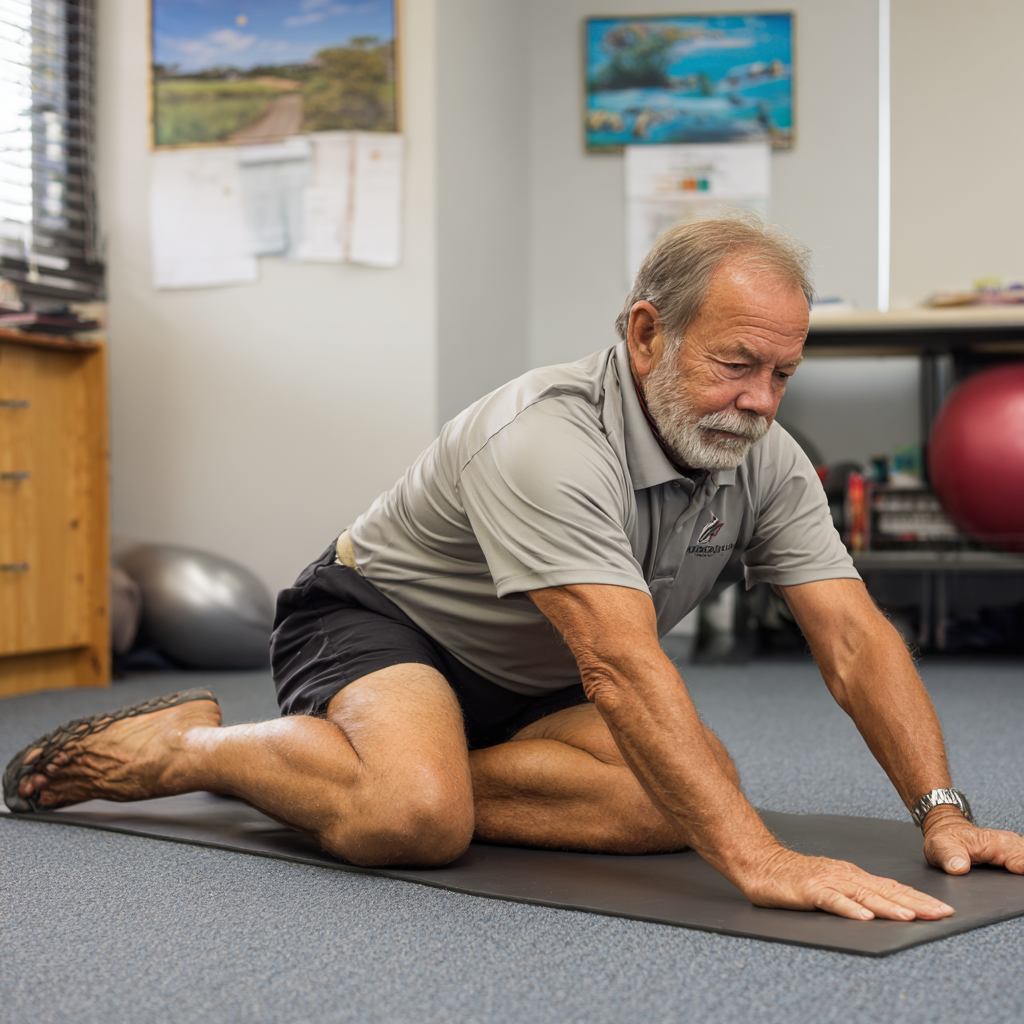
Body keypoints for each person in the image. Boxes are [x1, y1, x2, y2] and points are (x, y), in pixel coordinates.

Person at [6, 218, 1023, 923]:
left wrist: (941, 812)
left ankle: (382, 767)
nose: (760, 401)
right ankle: (195, 749)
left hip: (533, 673)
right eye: (734, 364)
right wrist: (757, 861)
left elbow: (852, 640)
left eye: (782, 373)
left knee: (686, 793)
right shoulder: (546, 441)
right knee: (414, 818)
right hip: (382, 624)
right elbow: (619, 667)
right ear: (645, 333)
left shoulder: (766, 459)